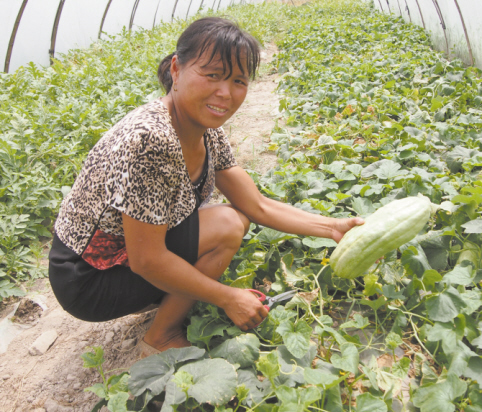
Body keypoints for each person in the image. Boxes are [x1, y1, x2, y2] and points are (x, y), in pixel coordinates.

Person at [48, 17, 363, 357]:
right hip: (88, 278)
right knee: (227, 225)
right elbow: (147, 261)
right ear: (176, 69)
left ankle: (164, 305)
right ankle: (160, 336)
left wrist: (332, 228)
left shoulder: (205, 130)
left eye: (238, 80)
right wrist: (228, 297)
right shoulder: (149, 140)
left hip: (125, 258)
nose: (225, 93)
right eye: (212, 75)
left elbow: (257, 205)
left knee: (235, 218)